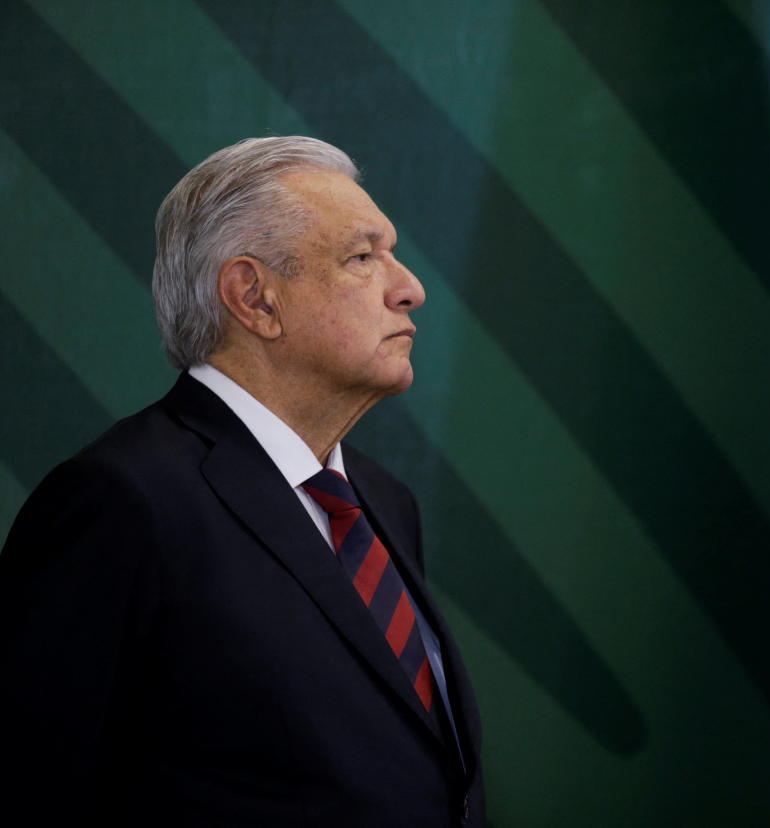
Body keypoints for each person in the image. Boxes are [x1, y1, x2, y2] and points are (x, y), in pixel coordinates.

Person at [0, 136, 484, 826]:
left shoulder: (383, 500)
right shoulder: (121, 501)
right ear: (254, 298)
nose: (410, 287)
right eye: (362, 256)